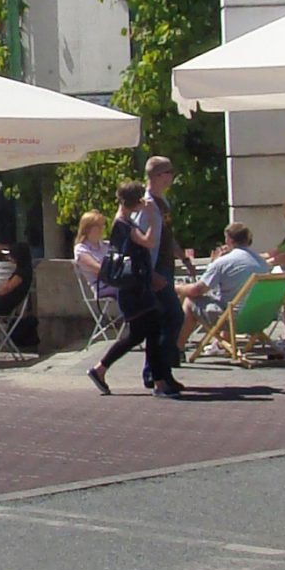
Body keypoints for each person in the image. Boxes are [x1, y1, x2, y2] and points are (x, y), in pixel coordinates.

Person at [86, 181, 177, 397]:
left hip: (134, 288)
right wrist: (154, 218)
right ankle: (159, 382)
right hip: (134, 290)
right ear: (137, 202)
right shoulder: (124, 226)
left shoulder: (122, 223)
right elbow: (150, 241)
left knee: (138, 334)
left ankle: (100, 369)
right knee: (151, 331)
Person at [131, 155, 186, 390]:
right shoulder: (146, 205)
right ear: (157, 175)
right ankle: (159, 372)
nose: (171, 177)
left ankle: (154, 372)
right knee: (173, 316)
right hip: (156, 271)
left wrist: (182, 256)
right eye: (168, 172)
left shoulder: (163, 202)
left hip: (165, 267)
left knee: (162, 322)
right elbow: (143, 242)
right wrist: (150, 273)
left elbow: (166, 236)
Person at [176, 223, 268, 353]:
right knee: (228, 300)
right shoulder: (261, 262)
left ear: (229, 239)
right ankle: (222, 344)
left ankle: (176, 349)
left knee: (191, 301)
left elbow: (197, 290)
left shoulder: (224, 262)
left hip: (235, 320)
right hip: (261, 318)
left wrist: (177, 288)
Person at [0, 239, 38, 351]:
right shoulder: (24, 270)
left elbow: (5, 289)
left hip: (4, 307)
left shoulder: (21, 273)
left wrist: (0, 290)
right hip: (4, 304)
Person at [73, 210, 110, 292]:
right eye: (99, 226)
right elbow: (98, 269)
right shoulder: (81, 249)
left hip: (116, 282)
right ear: (88, 228)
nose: (102, 228)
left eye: (102, 225)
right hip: (101, 287)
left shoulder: (107, 245)